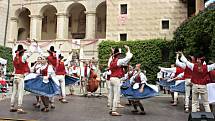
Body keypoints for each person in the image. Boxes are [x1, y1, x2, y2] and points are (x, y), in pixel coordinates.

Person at [109, 45, 133, 116]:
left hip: (111, 78)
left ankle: (111, 109)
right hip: (116, 79)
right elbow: (128, 58)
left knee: (112, 95)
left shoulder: (112, 61)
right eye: (119, 54)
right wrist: (128, 49)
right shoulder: (118, 61)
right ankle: (113, 111)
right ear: (118, 55)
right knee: (116, 95)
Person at [10, 44, 31, 114]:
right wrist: (30, 45)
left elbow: (13, 51)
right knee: (20, 93)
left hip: (15, 76)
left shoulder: (14, 57)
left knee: (14, 93)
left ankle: (12, 106)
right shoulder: (23, 57)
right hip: (20, 76)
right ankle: (19, 108)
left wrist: (14, 44)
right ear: (22, 52)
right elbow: (30, 53)